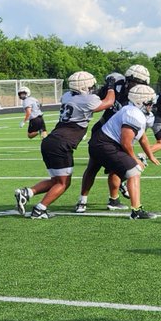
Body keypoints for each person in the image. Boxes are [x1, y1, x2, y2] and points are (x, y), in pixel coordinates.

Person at [14, 70, 113, 219]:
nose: (92, 88)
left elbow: (89, 97)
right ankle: (40, 210)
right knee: (63, 184)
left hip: (50, 141)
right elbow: (108, 102)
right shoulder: (88, 100)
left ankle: (27, 192)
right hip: (62, 144)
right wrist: (111, 87)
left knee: (56, 180)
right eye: (90, 86)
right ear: (84, 87)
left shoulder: (67, 96)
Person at [74, 65, 155, 212]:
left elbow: (139, 132)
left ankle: (114, 199)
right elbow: (93, 99)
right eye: (136, 82)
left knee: (118, 167)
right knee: (93, 167)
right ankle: (82, 200)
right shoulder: (116, 85)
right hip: (104, 133)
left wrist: (149, 153)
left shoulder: (137, 98)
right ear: (129, 80)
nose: (138, 87)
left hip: (118, 134)